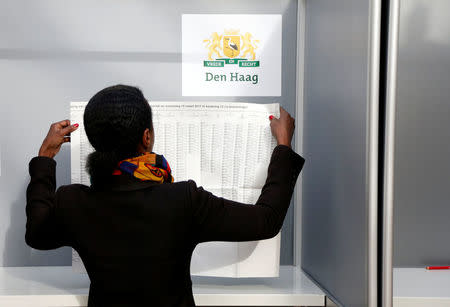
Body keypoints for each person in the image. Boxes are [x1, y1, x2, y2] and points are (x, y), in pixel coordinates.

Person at [25, 85, 304, 307]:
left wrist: (45, 157)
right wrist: (283, 146)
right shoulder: (183, 200)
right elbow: (265, 220)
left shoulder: (73, 202)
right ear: (147, 137)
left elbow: (37, 234)